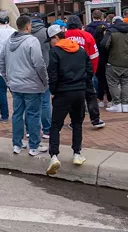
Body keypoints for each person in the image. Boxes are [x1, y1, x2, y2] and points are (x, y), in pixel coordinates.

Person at [0, 15, 48, 157]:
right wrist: (44, 81)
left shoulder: (9, 41)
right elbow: (39, 64)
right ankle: (34, 145)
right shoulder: (32, 41)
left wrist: (7, 78)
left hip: (15, 84)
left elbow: (1, 61)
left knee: (17, 114)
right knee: (33, 115)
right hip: (32, 85)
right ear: (28, 26)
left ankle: (17, 144)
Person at [45, 25, 91, 176]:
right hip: (79, 92)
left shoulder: (55, 52)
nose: (51, 43)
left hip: (63, 93)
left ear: (56, 37)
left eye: (50, 39)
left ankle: (54, 156)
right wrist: (84, 87)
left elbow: (52, 74)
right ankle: (77, 154)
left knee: (55, 125)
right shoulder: (80, 50)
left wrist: (53, 91)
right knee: (77, 123)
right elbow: (89, 70)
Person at [65, 15, 105, 128]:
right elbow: (94, 56)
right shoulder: (87, 36)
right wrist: (92, 72)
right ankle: (96, 120)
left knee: (74, 98)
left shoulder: (64, 36)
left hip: (68, 73)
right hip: (85, 71)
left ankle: (75, 122)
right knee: (90, 95)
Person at [30, 12, 51, 140]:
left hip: (29, 72)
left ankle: (31, 130)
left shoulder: (25, 34)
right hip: (45, 70)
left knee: (30, 103)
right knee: (45, 102)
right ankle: (47, 130)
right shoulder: (47, 32)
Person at [101, 16, 128, 113]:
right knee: (126, 83)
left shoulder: (111, 32)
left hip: (114, 62)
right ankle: (125, 104)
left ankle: (117, 104)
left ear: (113, 22)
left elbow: (104, 45)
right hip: (126, 63)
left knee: (113, 83)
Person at [94, 25, 112, 108]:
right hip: (106, 62)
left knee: (100, 81)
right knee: (108, 81)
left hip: (98, 63)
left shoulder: (95, 41)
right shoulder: (106, 41)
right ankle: (109, 100)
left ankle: (100, 99)